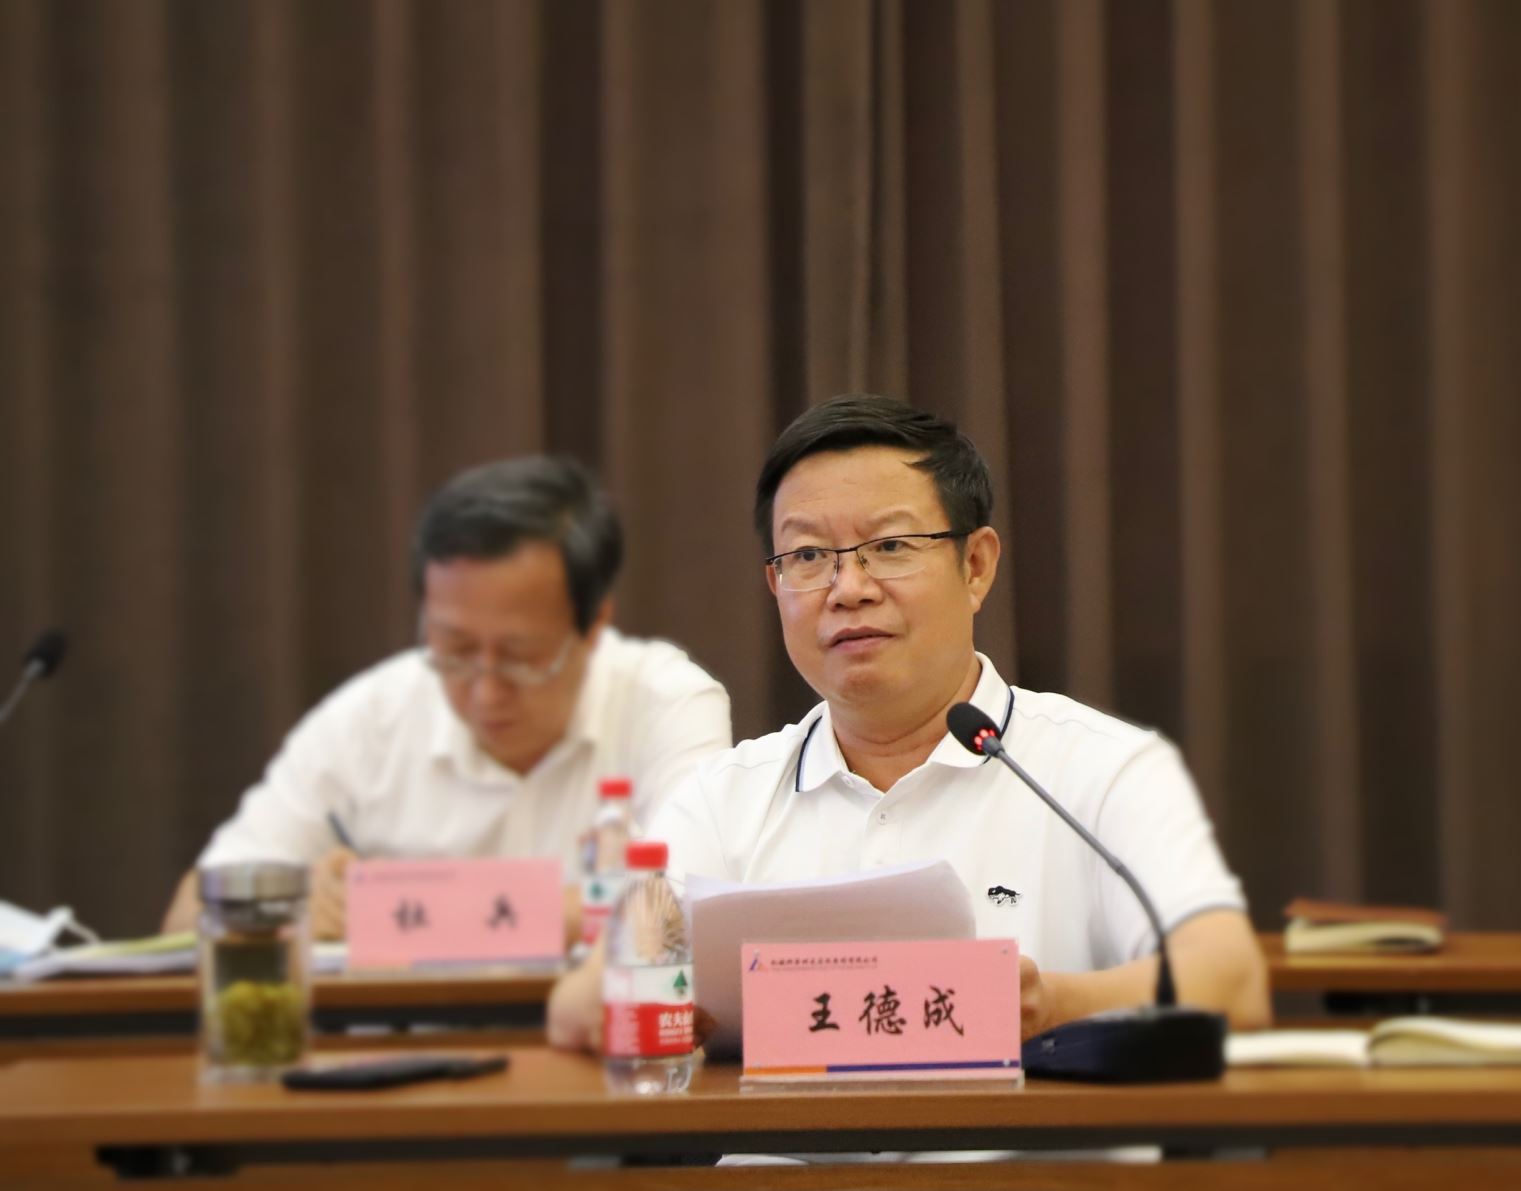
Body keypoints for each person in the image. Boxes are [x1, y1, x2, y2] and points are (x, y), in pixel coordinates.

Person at [549, 395, 1267, 1052]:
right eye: (808, 556)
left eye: (890, 546)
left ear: (975, 565)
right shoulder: (722, 798)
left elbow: (1232, 980)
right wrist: (650, 1003)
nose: (848, 589)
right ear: (776, 584)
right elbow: (581, 1004)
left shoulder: (1103, 768)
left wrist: (1049, 1005)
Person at [163, 456, 731, 941]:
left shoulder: (666, 703)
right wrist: (294, 906)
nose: (485, 690)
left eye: (521, 656)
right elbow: (188, 915)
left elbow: (687, 911)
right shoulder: (371, 717)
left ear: (594, 624)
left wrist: (387, 911)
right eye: (455, 651)